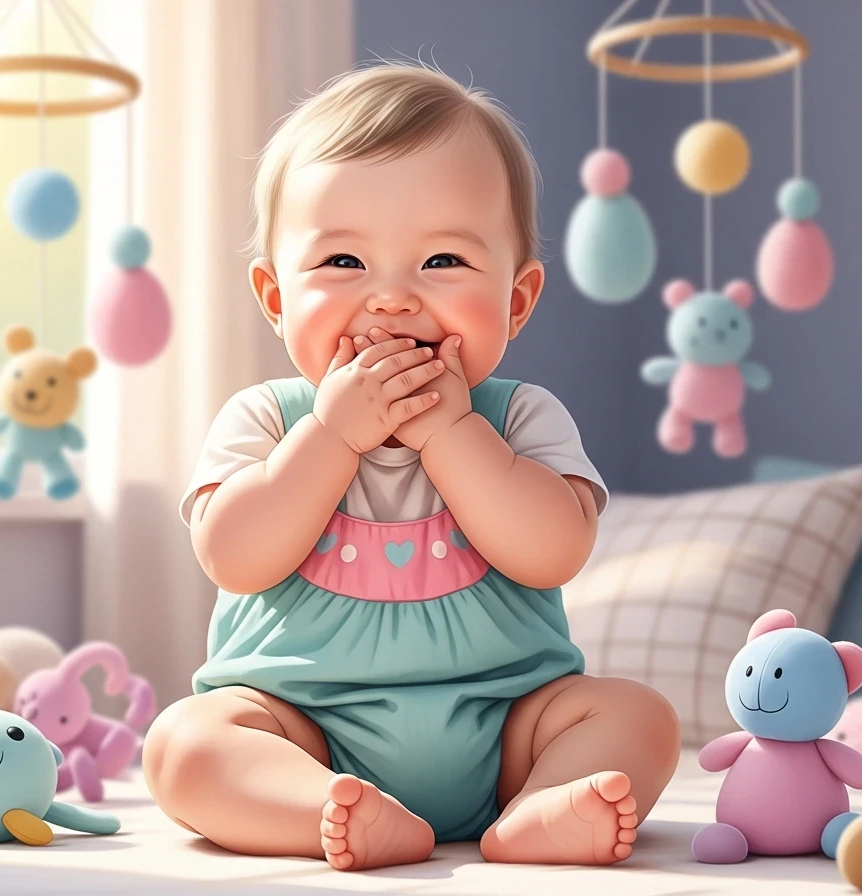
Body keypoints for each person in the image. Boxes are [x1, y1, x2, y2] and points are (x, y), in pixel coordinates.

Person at [143, 61, 680, 872]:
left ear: (516, 300)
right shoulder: (267, 419)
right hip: (304, 729)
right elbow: (235, 558)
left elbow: (552, 552)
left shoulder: (521, 418)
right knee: (184, 745)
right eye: (344, 265)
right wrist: (329, 437)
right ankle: (324, 810)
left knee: (638, 717)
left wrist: (455, 433)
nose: (391, 299)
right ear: (276, 297)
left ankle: (539, 813)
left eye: (442, 263)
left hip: (509, 731)